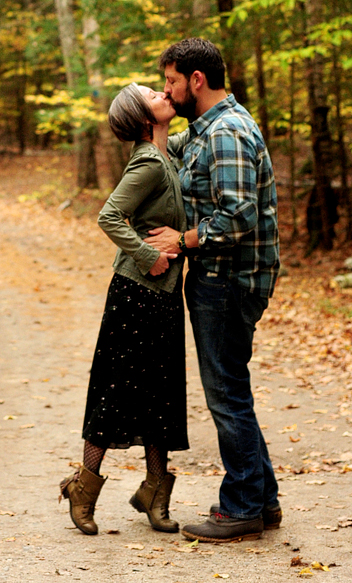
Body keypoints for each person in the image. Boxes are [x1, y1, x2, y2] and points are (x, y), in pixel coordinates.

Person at [147, 37, 281, 544]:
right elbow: (162, 160)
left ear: (196, 81)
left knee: (225, 393)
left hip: (228, 279)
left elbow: (240, 215)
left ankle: (242, 506)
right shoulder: (203, 131)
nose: (167, 89)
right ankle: (261, 500)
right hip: (222, 277)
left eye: (172, 82)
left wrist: (183, 238)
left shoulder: (225, 132)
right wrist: (158, 118)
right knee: (232, 388)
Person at [59, 83, 188, 537]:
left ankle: (155, 491)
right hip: (135, 294)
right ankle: (83, 488)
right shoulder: (149, 163)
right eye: (153, 92)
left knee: (161, 392)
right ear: (142, 116)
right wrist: (148, 255)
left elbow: (199, 128)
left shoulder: (167, 150)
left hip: (166, 296)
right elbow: (109, 216)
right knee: (115, 392)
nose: (162, 91)